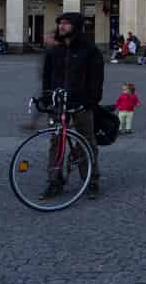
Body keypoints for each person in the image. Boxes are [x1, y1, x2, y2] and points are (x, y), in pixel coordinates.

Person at [41, 12, 105, 200]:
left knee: (86, 140)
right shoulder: (54, 49)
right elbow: (47, 74)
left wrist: (92, 100)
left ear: (76, 26)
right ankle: (54, 180)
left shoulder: (89, 49)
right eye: (60, 22)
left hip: (81, 102)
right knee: (55, 140)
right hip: (58, 101)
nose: (61, 26)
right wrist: (46, 96)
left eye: (66, 23)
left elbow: (97, 78)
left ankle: (91, 179)